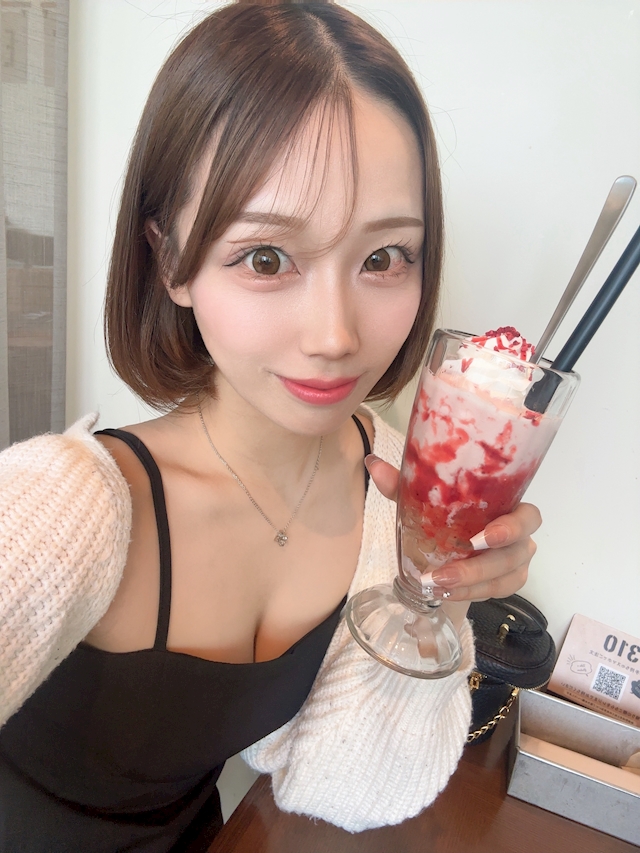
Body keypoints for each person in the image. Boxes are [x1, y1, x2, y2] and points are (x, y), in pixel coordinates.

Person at [0, 1, 540, 850]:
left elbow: (342, 785)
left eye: (383, 257)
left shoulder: (391, 492)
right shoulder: (65, 507)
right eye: (266, 258)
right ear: (170, 262)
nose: (334, 335)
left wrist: (431, 599)